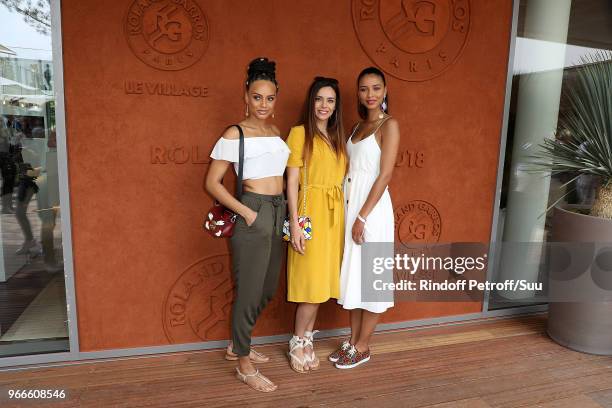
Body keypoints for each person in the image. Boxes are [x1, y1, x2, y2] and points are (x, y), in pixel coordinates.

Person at [205, 57, 289, 392]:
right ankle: (242, 361)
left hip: (278, 209)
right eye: (257, 97)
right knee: (249, 290)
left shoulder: (276, 131)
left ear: (275, 98)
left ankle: (239, 342)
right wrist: (248, 212)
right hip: (252, 210)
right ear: (246, 96)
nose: (263, 104)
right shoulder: (234, 133)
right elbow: (213, 183)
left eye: (269, 98)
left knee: (267, 287)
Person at [331, 67, 400, 369]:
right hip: (352, 208)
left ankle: (363, 345)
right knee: (354, 279)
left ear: (385, 90)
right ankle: (351, 339)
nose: (369, 94)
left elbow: (385, 175)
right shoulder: (357, 127)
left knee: (372, 281)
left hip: (372, 212)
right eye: (363, 89)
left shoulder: (390, 125)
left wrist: (362, 216)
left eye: (375, 88)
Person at [285, 77, 347, 373]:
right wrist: (294, 223)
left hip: (334, 218)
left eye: (330, 100)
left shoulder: (337, 138)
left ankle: (308, 338)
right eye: (320, 99)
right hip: (310, 215)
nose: (324, 105)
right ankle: (297, 341)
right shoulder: (299, 134)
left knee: (322, 284)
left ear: (336, 106)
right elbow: (292, 180)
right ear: (311, 102)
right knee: (310, 284)